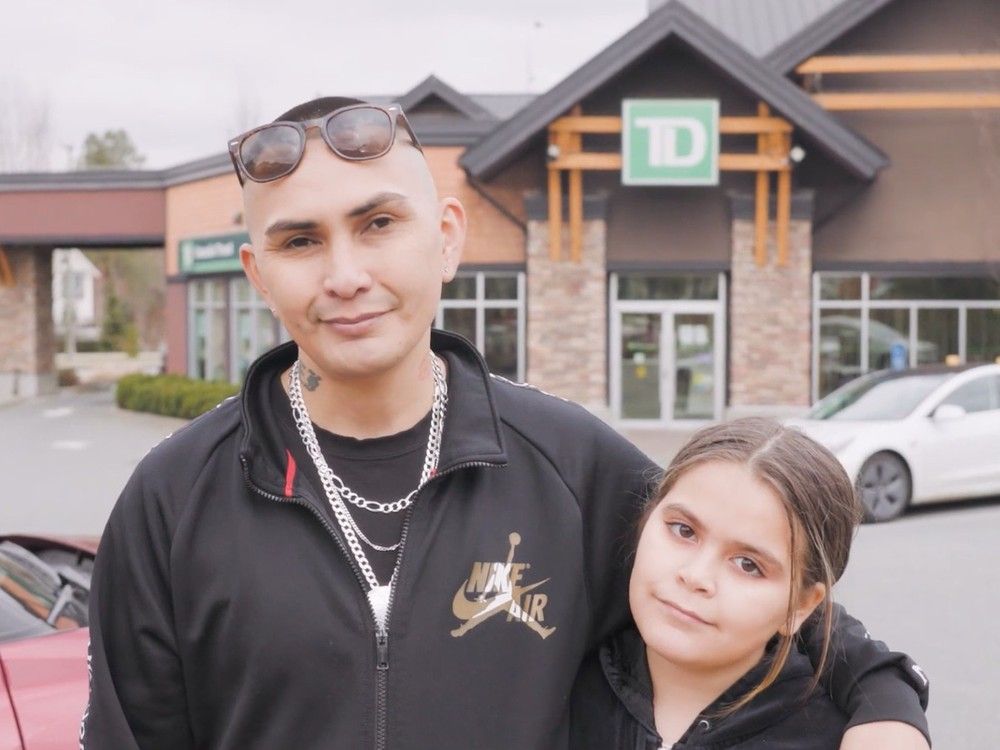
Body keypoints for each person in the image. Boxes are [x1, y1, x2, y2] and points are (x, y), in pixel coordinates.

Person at [81, 97, 930, 749]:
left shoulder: (573, 466)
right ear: (257, 274)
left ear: (446, 239)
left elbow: (769, 596)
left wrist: (889, 707)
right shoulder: (172, 501)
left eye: (379, 224)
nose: (345, 274)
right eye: (300, 242)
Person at [572, 418, 886, 748]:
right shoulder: (553, 681)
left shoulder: (832, 737)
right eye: (683, 530)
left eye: (748, 565)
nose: (696, 576)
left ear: (801, 605)